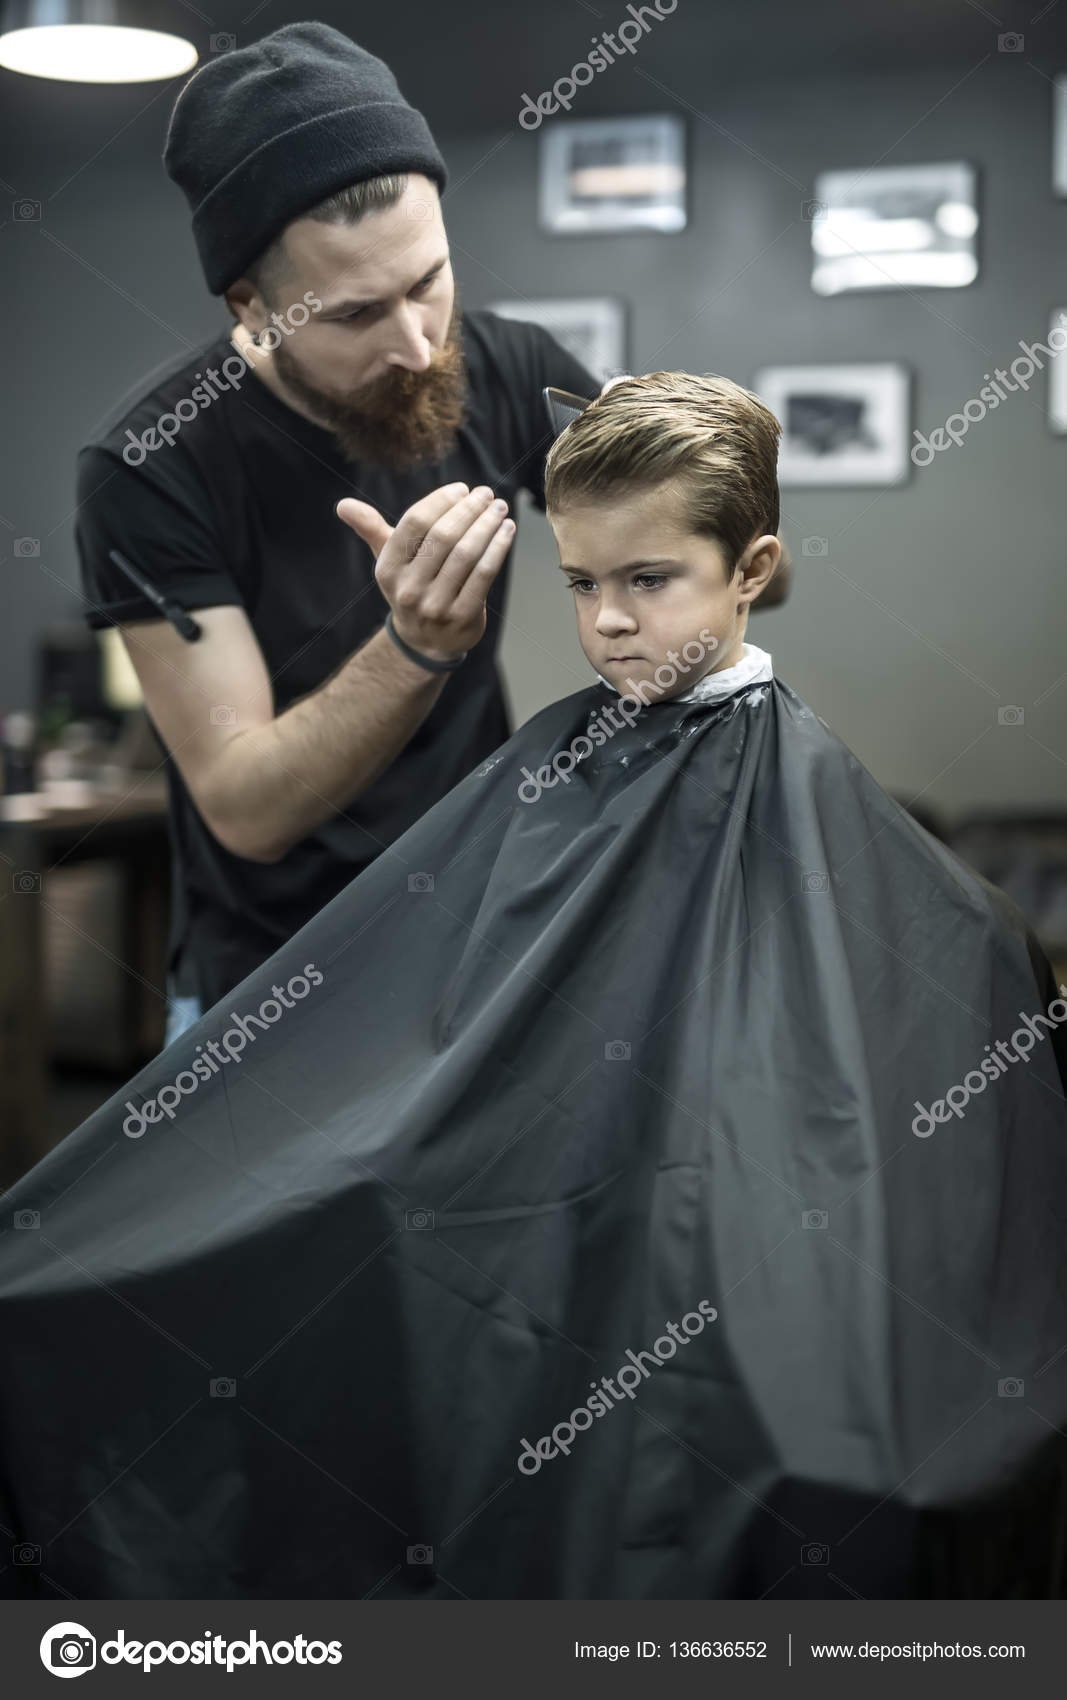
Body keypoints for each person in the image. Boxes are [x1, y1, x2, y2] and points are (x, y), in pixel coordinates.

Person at [7, 372, 1039, 1605]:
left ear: (750, 566)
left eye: (647, 580)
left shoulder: (820, 814)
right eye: (578, 583)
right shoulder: (552, 766)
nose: (604, 621)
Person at [72, 22, 793, 1050]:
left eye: (428, 281)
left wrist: (726, 543)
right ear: (253, 306)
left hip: (478, 934)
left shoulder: (502, 368)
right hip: (273, 989)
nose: (415, 344)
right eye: (358, 313)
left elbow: (705, 533)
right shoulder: (153, 464)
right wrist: (413, 646)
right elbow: (245, 806)